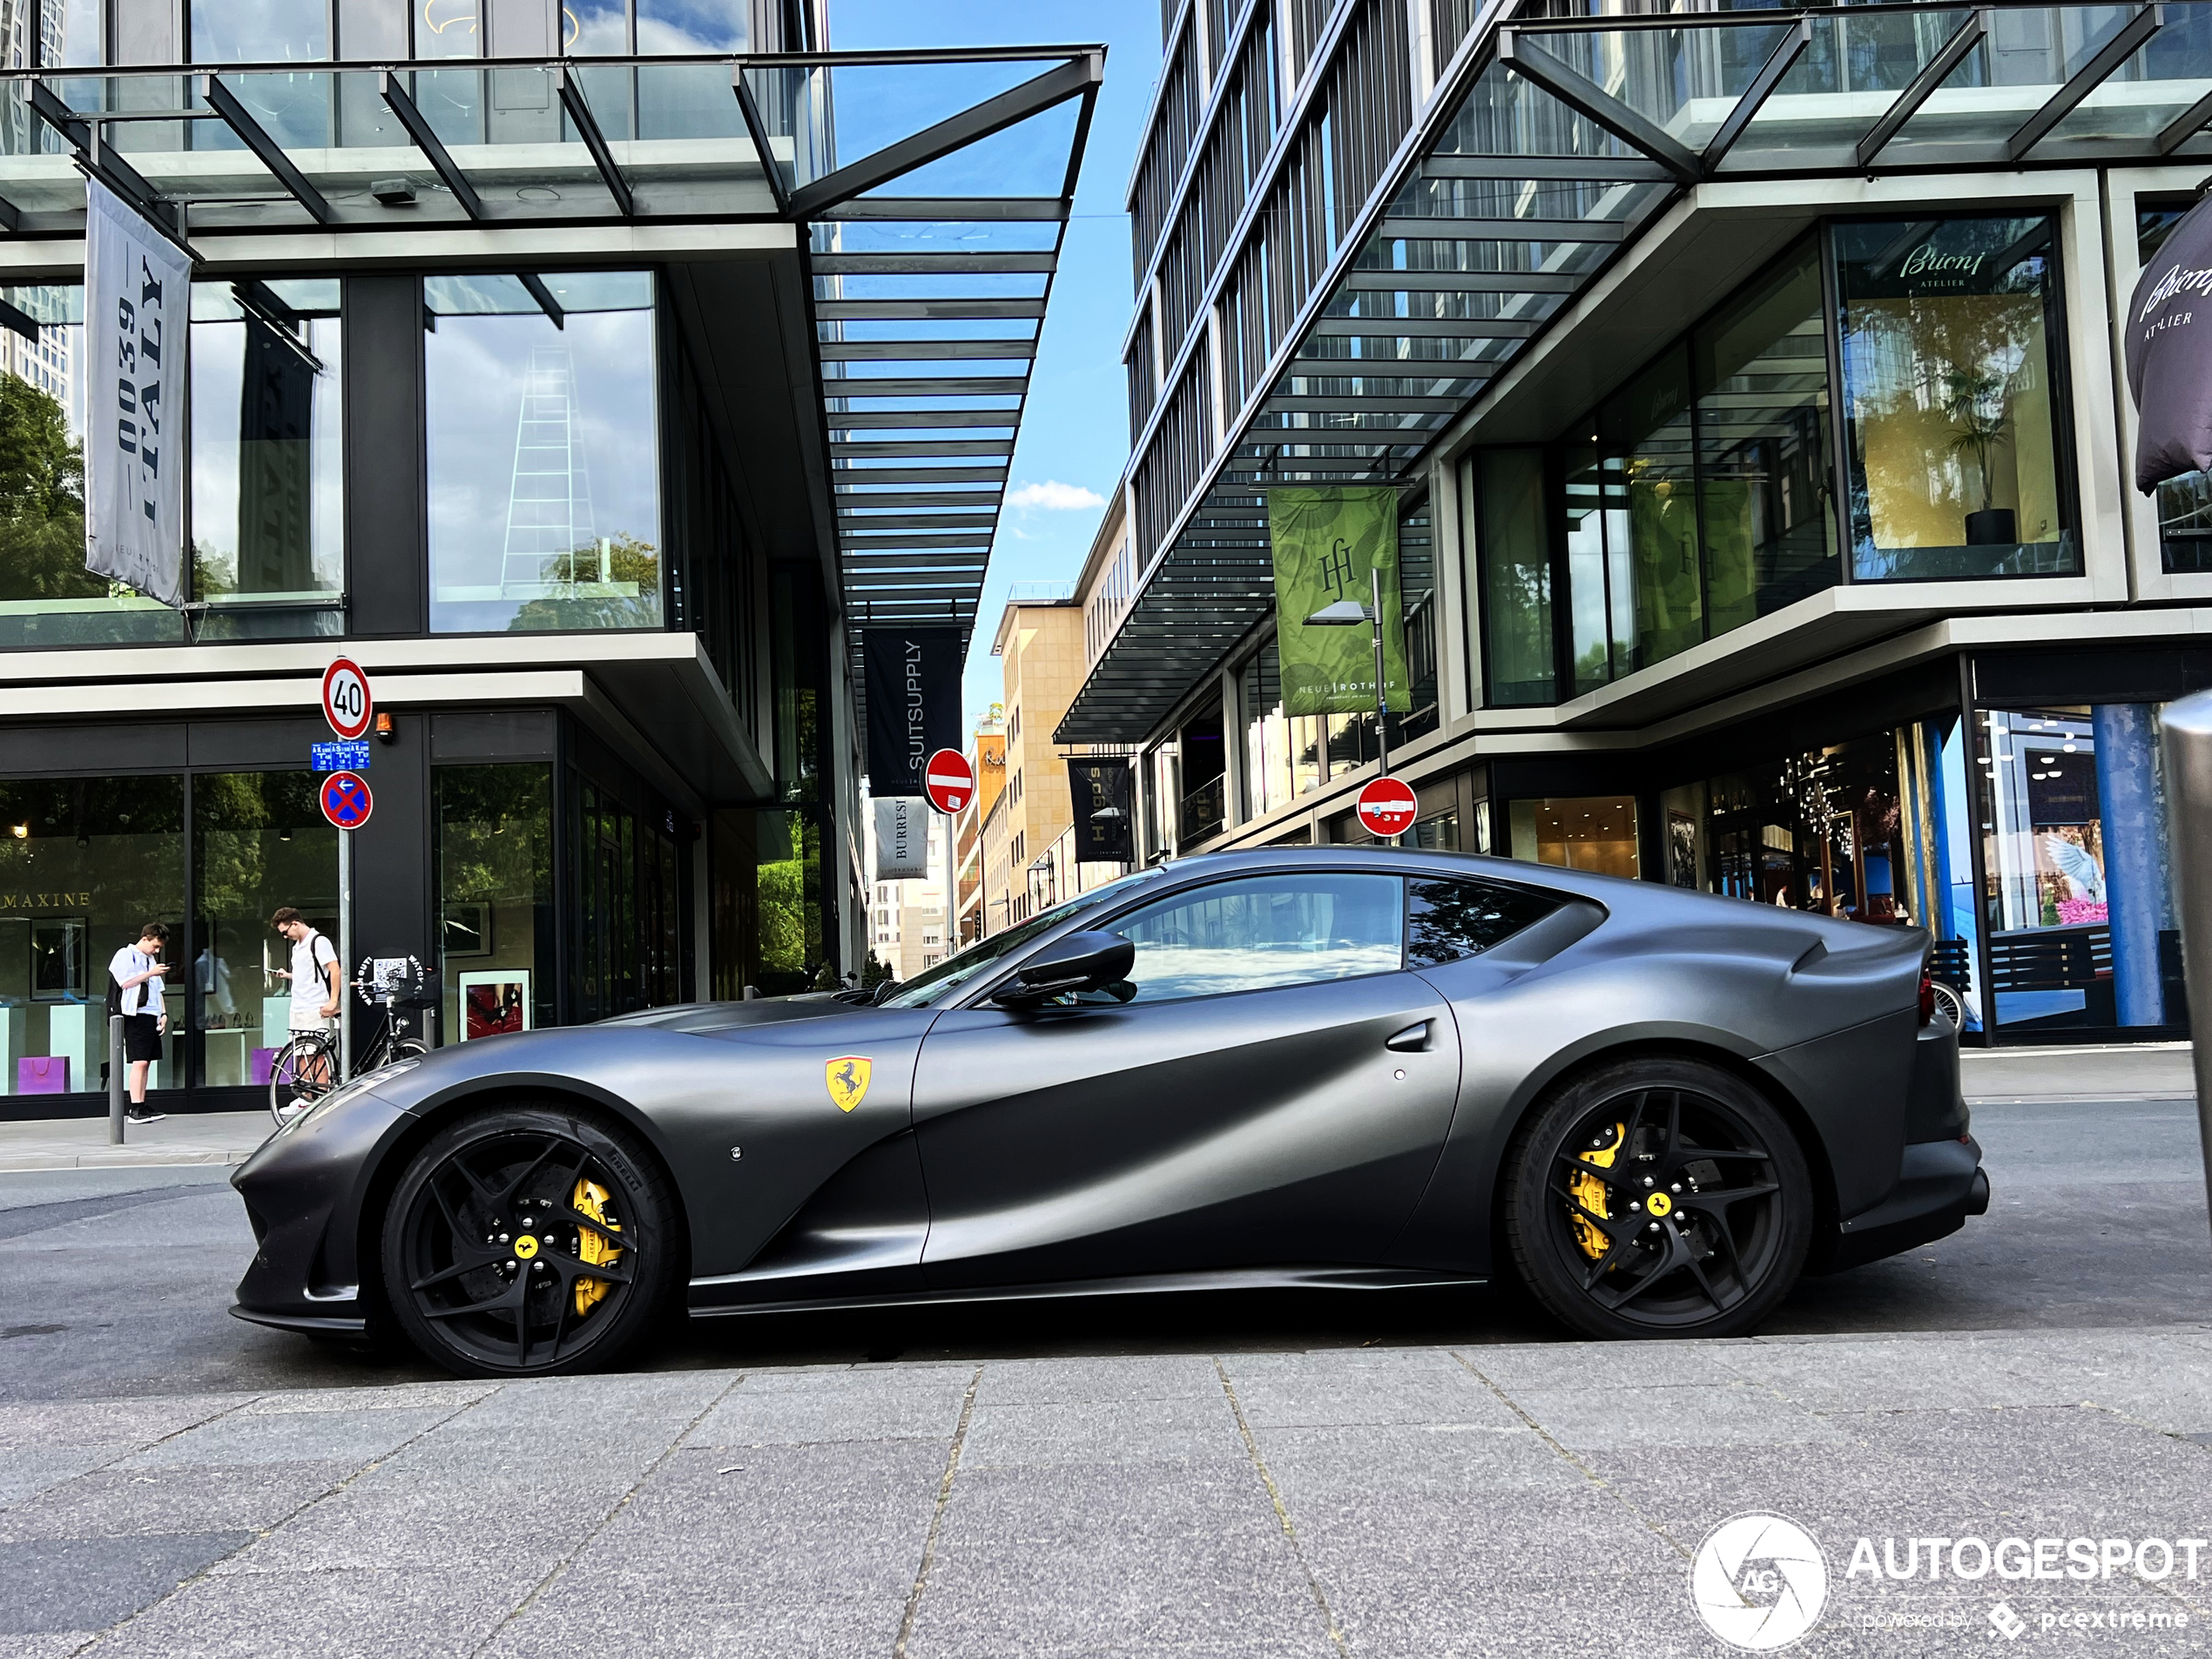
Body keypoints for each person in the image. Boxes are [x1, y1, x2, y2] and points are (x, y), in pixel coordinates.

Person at [271, 907, 341, 1109]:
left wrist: (332, 1001)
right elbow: (307, 973)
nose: (286, 937)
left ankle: (322, 1098)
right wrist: (287, 976)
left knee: (317, 1055)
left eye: (286, 932)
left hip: (314, 1006)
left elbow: (334, 969)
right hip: (298, 1006)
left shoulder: (318, 942)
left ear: (295, 924)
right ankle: (306, 1098)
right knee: (300, 1053)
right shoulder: (298, 946)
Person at [105, 922, 171, 1124]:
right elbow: (125, 982)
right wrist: (150, 973)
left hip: (151, 1013)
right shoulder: (125, 955)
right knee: (139, 1060)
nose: (157, 950)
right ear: (145, 938)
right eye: (155, 946)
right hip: (134, 1013)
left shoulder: (150, 959)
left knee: (147, 1061)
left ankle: (141, 1103)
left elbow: (158, 989)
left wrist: (164, 1012)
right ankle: (135, 1107)